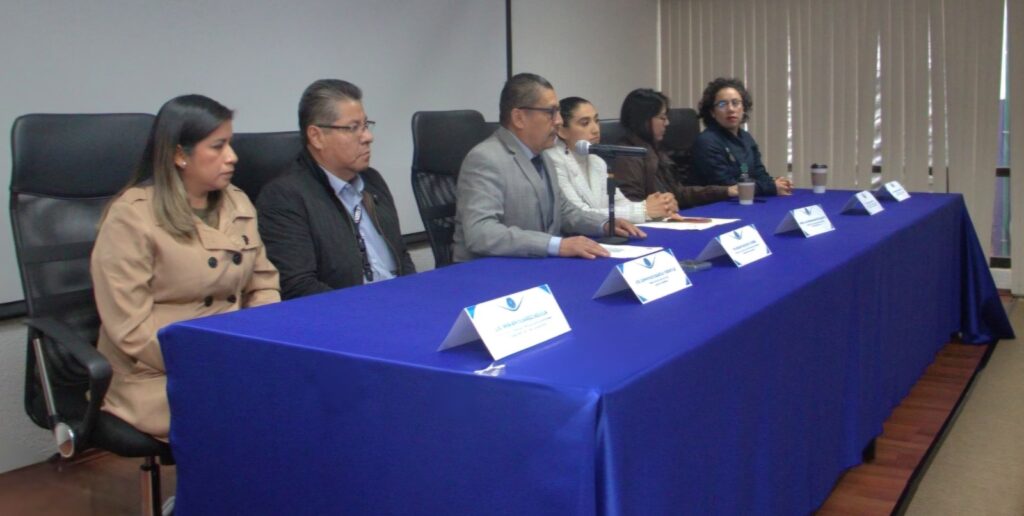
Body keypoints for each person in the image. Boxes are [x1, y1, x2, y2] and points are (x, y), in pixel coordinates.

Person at [91, 94, 281, 440]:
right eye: (218, 146)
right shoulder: (131, 216)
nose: (232, 157)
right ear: (180, 155)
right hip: (158, 371)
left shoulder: (237, 202)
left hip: (233, 355)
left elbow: (263, 284)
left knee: (304, 391)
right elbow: (130, 328)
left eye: (230, 144)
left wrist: (258, 340)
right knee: (247, 411)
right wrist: (209, 360)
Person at [452, 73, 645, 262]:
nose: (559, 120)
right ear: (519, 118)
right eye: (550, 112)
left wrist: (603, 224)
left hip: (533, 265)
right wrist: (556, 245)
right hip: (488, 271)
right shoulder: (485, 159)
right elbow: (481, 232)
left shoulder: (543, 154)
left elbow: (564, 210)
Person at [257, 79, 415, 299]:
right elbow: (298, 286)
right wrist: (365, 310)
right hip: (346, 312)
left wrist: (413, 296)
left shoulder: (372, 181)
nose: (368, 137)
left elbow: (401, 255)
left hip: (399, 304)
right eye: (353, 128)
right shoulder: (285, 197)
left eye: (365, 125)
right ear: (317, 137)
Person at [543, 96, 683, 223]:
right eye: (585, 123)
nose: (595, 129)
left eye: (596, 121)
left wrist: (659, 207)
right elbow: (580, 215)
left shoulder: (596, 161)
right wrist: (644, 210)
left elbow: (619, 202)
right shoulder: (553, 160)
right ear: (562, 131)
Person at [610, 88, 736, 208]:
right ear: (644, 120)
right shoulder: (628, 155)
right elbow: (631, 205)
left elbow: (678, 193)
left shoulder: (655, 149)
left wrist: (725, 191)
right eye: (662, 118)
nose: (667, 123)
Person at [688, 77, 792, 196]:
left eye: (735, 103)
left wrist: (777, 183)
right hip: (717, 204)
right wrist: (770, 187)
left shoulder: (746, 138)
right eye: (722, 104)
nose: (730, 109)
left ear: (743, 108)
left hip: (746, 200)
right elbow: (726, 185)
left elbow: (759, 173)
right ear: (712, 112)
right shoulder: (706, 142)